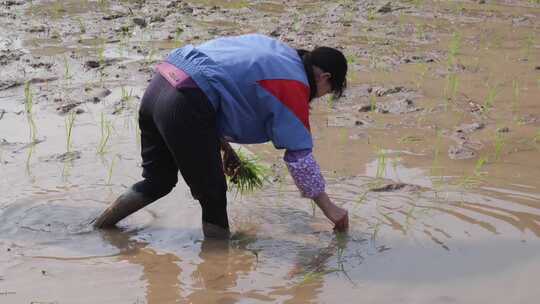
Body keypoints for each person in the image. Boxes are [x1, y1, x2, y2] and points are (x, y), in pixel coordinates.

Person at [93, 34, 349, 238]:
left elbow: (216, 82)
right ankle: (216, 273)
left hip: (161, 83)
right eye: (328, 91)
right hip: (186, 103)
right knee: (213, 196)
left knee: (157, 181)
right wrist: (331, 210)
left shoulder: (277, 51)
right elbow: (299, 160)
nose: (319, 97)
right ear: (325, 78)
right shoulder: (295, 86)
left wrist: (224, 148)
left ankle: (100, 227)